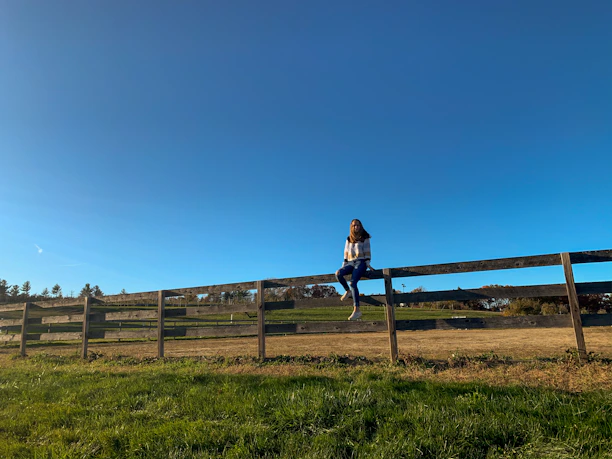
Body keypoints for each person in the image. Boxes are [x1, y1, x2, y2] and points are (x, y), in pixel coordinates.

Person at [335, 219, 373, 320]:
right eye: (354, 225)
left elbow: (367, 250)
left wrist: (368, 263)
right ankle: (348, 291)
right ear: (351, 227)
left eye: (357, 225)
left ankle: (357, 310)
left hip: (361, 262)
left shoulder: (365, 237)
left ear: (360, 226)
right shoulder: (349, 239)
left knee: (353, 283)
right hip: (351, 262)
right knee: (338, 273)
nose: (356, 227)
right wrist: (343, 265)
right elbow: (346, 252)